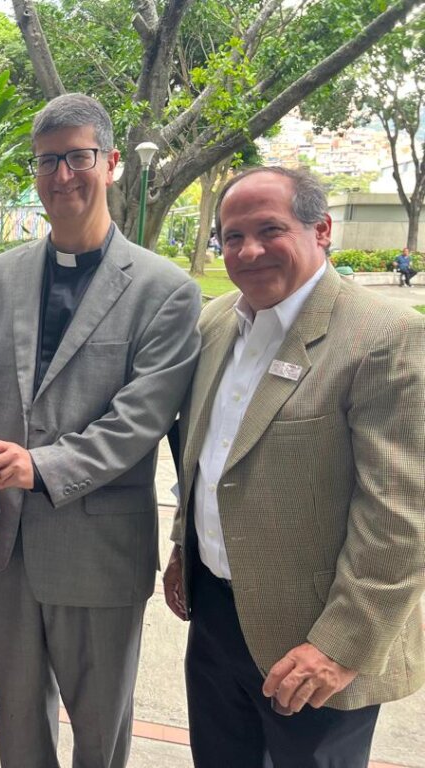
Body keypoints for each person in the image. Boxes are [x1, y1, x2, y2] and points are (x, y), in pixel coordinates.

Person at [0, 93, 201, 768]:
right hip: (5, 546)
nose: (62, 175)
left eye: (78, 157)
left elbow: (140, 418)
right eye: (47, 161)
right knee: (18, 729)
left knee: (100, 734)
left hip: (99, 550)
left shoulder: (165, 290)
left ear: (112, 162)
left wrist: (40, 466)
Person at [163, 167, 425, 768]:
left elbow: (401, 520)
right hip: (216, 619)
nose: (248, 251)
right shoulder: (217, 323)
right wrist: (183, 546)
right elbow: (205, 457)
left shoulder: (384, 338)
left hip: (313, 645)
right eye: (233, 237)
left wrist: (338, 647)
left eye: (270, 230)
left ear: (322, 229)